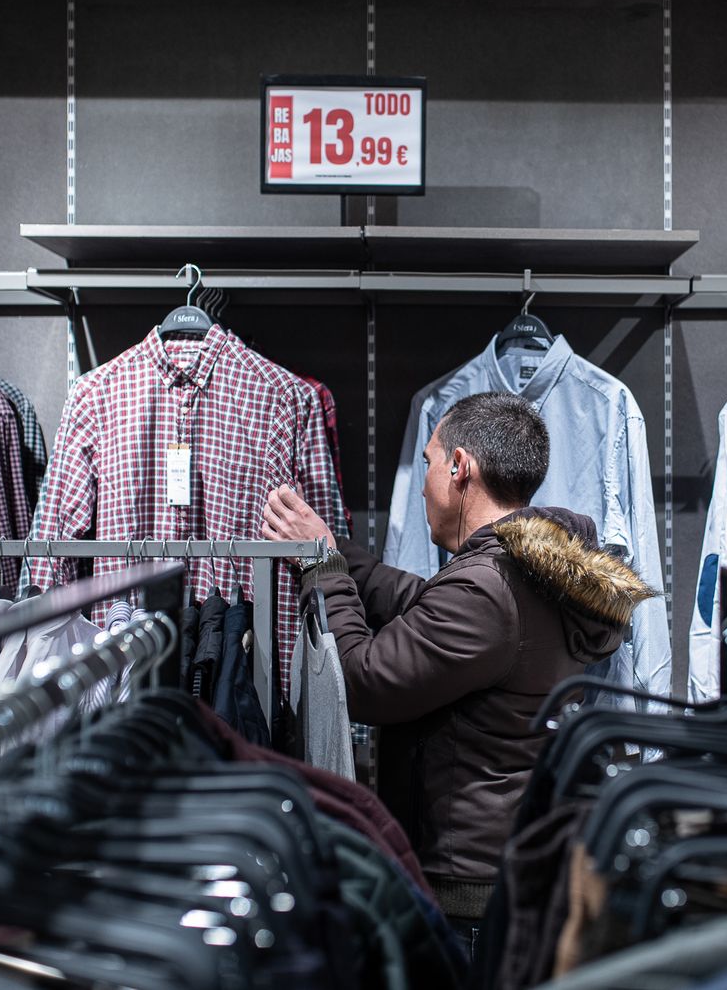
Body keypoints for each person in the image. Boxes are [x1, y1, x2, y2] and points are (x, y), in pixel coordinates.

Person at [261, 391, 657, 956]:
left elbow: (362, 682)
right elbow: (425, 607)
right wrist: (338, 552)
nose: (423, 482)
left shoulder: (487, 589)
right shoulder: (526, 571)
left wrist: (321, 569)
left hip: (464, 892)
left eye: (427, 462)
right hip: (503, 868)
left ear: (460, 467)